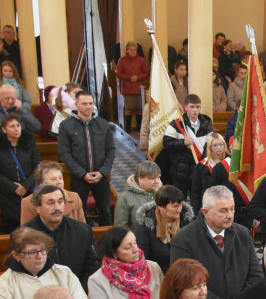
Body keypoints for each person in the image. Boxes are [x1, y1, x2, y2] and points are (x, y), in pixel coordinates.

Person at [171, 185, 262, 299]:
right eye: (223, 211)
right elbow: (184, 285)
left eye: (232, 209)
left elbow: (256, 275)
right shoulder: (183, 240)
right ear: (206, 212)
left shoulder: (243, 233)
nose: (230, 215)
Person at [24, 183, 100, 290]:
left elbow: (94, 265)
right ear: (37, 208)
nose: (57, 207)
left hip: (79, 294)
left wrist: (78, 291)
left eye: (60, 202)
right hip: (41, 298)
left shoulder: (83, 230)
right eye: (50, 203)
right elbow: (21, 272)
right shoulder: (24, 235)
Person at [57, 90, 116, 226]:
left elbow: (111, 150)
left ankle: (106, 242)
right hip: (79, 177)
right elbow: (64, 153)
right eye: (84, 103)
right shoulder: (66, 126)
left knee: (105, 212)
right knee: (78, 212)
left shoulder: (103, 124)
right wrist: (82, 174)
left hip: (101, 176)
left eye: (91, 103)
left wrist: (102, 172)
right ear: (76, 104)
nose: (88, 107)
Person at [0, 112, 41, 229]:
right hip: (8, 194)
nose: (16, 129)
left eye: (18, 125)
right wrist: (13, 187)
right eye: (12, 126)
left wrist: (25, 186)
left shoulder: (29, 143)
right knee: (14, 228)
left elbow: (38, 166)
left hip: (29, 191)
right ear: (4, 129)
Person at [134, 184, 196, 274]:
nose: (179, 209)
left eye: (181, 205)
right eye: (175, 206)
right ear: (160, 207)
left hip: (186, 272)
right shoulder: (146, 225)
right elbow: (145, 258)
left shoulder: (188, 221)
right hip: (158, 274)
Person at [162, 94, 213, 199]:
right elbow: (166, 143)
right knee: (179, 200)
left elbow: (210, 144)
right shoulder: (177, 124)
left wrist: (203, 164)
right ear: (186, 107)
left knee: (197, 201)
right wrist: (183, 143)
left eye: (198, 107)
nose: (195, 110)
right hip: (180, 172)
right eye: (192, 107)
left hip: (198, 170)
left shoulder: (206, 123)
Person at [19, 160, 86, 226]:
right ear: (41, 183)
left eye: (60, 178)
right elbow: (26, 233)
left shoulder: (74, 197)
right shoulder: (27, 202)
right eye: (53, 179)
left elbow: (82, 228)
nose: (59, 182)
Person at [115, 160, 161, 230]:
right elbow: (121, 227)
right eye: (152, 178)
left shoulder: (163, 193)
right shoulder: (125, 197)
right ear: (140, 179)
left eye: (158, 177)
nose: (157, 181)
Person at [191, 132, 229, 215]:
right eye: (215, 145)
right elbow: (196, 190)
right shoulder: (201, 166)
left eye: (221, 144)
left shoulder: (230, 162)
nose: (219, 147)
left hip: (226, 203)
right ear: (209, 147)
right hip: (208, 204)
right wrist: (196, 211)